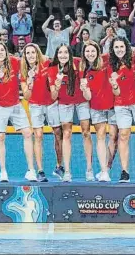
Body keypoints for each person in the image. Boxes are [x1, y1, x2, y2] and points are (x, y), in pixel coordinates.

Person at [0, 41, 36, 182]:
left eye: (3, 50)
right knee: (1, 137)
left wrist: (31, 75)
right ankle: (3, 172)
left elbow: (30, 61)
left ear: (6, 52)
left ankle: (31, 170)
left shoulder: (15, 62)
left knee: (28, 132)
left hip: (16, 104)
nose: (0, 52)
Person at [108, 36, 135, 183]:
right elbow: (116, 93)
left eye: (122, 46)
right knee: (123, 135)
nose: (119, 49)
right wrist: (114, 84)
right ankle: (124, 172)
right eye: (116, 47)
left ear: (126, 47)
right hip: (121, 104)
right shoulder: (111, 65)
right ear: (113, 50)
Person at [20, 43, 62, 182]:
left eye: (33, 52)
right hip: (35, 105)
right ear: (25, 56)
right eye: (28, 53)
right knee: (38, 136)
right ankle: (40, 170)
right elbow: (26, 96)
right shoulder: (24, 72)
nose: (31, 55)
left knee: (58, 133)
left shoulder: (48, 64)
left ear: (37, 53)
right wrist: (30, 81)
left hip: (51, 103)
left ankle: (59, 166)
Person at [79, 41, 119, 182]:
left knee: (114, 137)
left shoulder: (107, 61)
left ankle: (107, 168)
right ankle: (103, 171)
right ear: (84, 53)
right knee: (100, 137)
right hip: (96, 107)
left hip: (113, 105)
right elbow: (88, 97)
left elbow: (120, 49)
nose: (90, 54)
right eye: (87, 51)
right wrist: (84, 89)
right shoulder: (84, 71)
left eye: (92, 51)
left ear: (98, 52)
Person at [48, 44, 86, 182]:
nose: (63, 55)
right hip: (63, 103)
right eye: (60, 52)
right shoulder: (52, 69)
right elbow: (53, 96)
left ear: (70, 54)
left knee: (85, 132)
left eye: (65, 52)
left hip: (81, 101)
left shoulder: (78, 63)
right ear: (56, 54)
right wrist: (57, 87)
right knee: (64, 133)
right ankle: (66, 170)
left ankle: (89, 170)